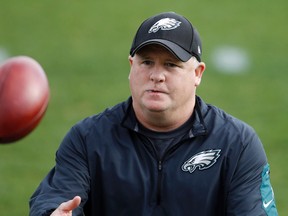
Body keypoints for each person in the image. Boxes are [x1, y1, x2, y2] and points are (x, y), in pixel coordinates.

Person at [29, 12, 278, 216]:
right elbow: (53, 201)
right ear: (131, 67)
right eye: (147, 62)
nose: (156, 75)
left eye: (171, 65)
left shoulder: (237, 144)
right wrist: (53, 213)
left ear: (198, 74)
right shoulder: (87, 139)